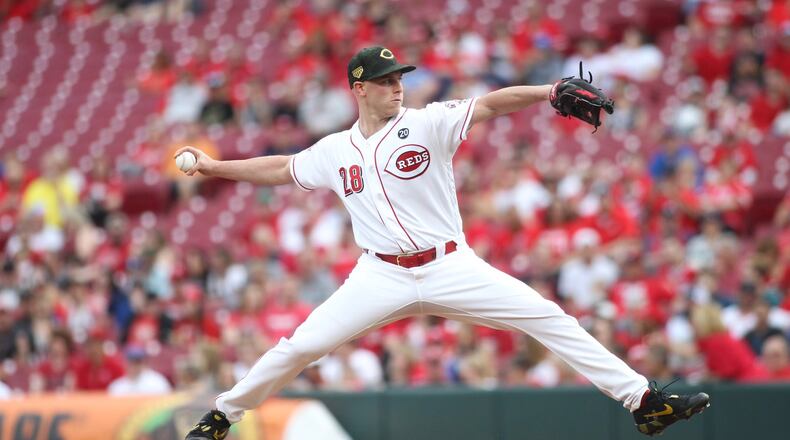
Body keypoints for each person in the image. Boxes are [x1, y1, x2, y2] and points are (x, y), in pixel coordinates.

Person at [181, 46, 710, 440]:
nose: (397, 87)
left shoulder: (427, 123)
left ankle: (643, 401)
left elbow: (490, 105)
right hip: (380, 274)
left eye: (399, 79)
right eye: (386, 81)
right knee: (301, 346)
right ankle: (222, 417)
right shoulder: (334, 149)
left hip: (450, 264)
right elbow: (280, 169)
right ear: (359, 88)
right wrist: (215, 166)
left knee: (549, 317)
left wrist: (547, 92)